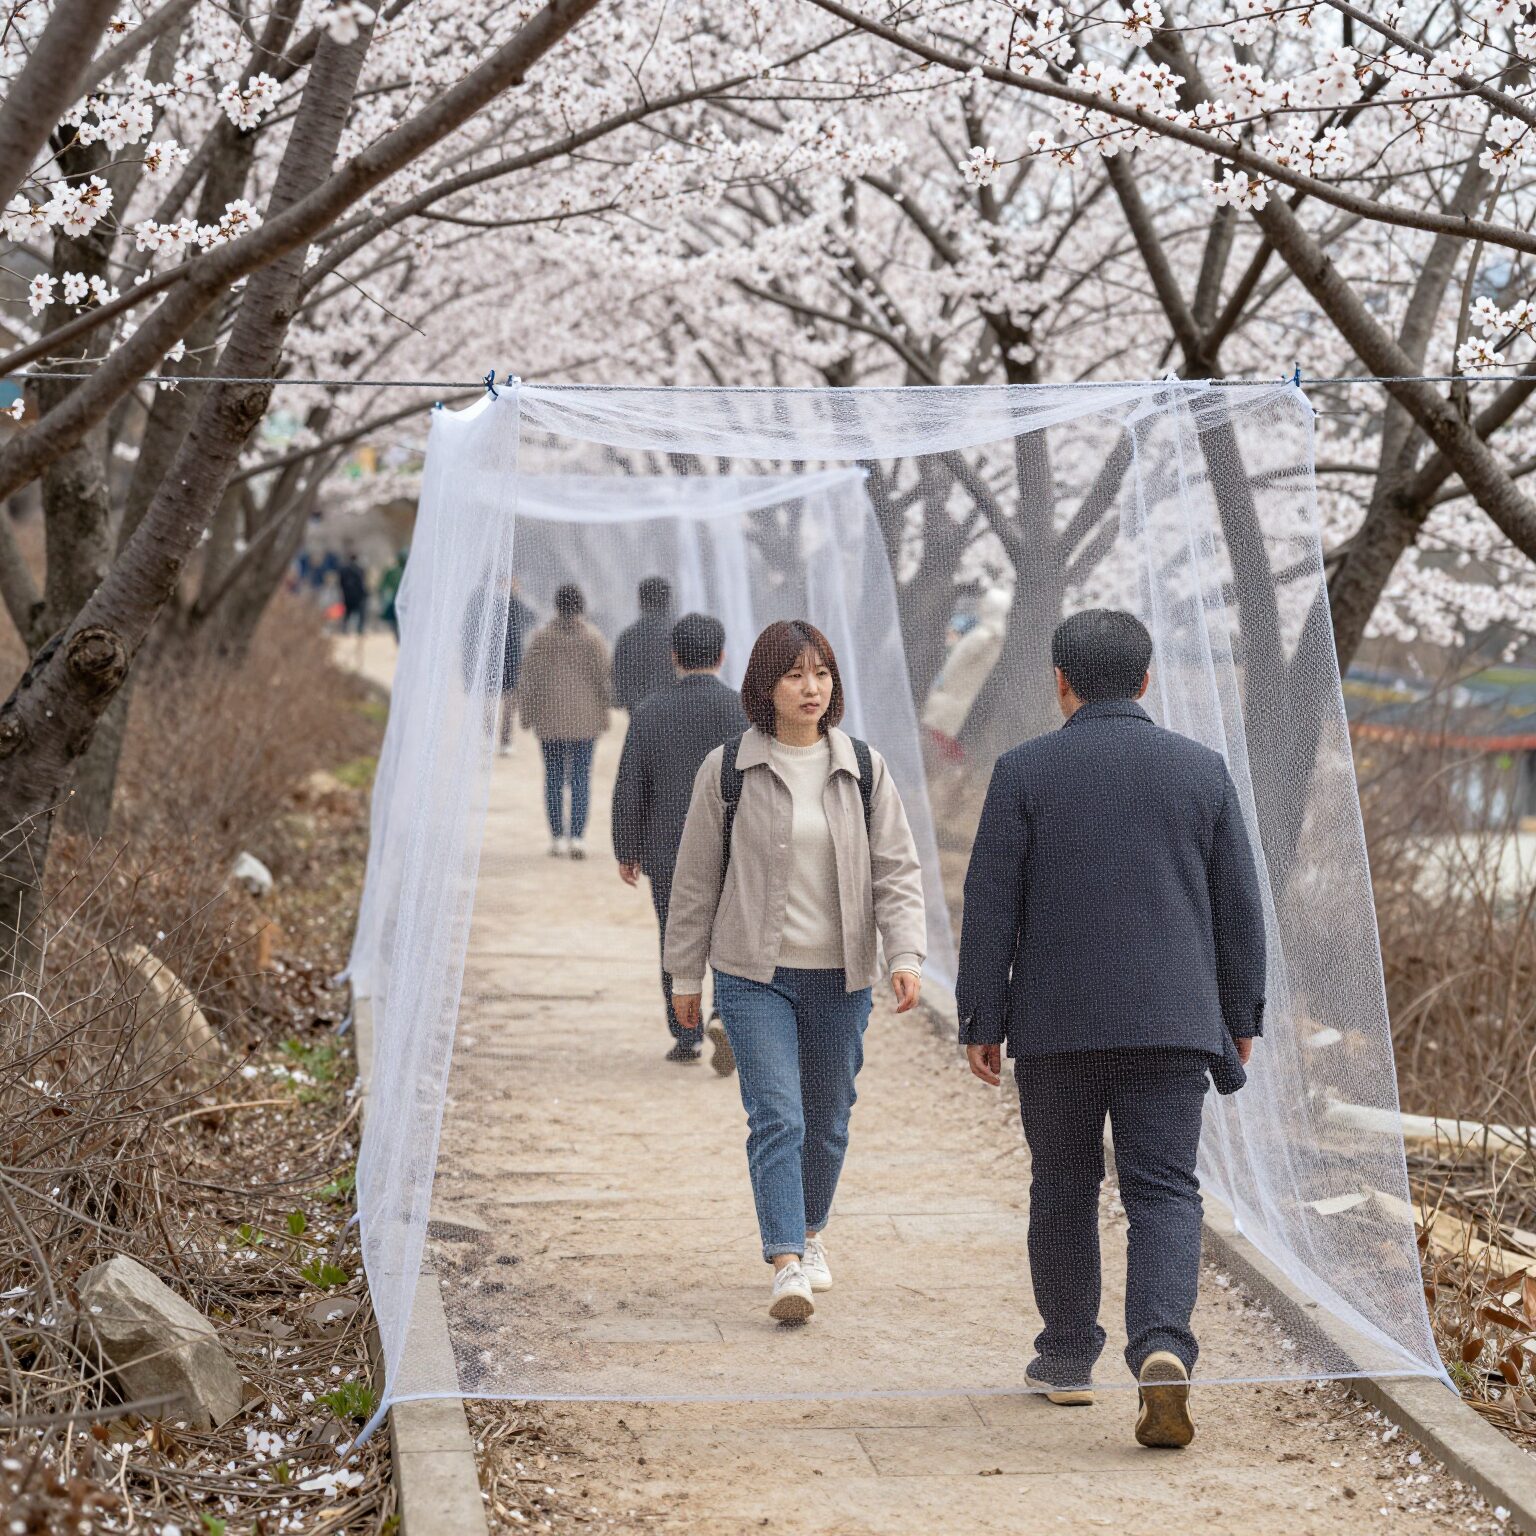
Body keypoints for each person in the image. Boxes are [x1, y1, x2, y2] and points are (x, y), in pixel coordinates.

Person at [954, 608, 1266, 1449]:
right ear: (1146, 678)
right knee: (1163, 1189)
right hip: (1172, 1023)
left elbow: (990, 904)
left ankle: (1064, 1360)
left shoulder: (1024, 771)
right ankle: (1163, 1347)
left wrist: (982, 1013)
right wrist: (1242, 1014)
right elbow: (1239, 906)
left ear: (1059, 681)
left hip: (1055, 1025)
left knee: (1062, 1186)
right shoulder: (1201, 771)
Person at [665, 620, 927, 1323]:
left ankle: (811, 1233)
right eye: (795, 674)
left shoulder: (864, 769)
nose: (811, 687)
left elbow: (897, 872)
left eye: (821, 673)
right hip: (754, 975)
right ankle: (785, 1262)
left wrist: (904, 955)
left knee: (830, 1116)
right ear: (765, 685)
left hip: (842, 976)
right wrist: (684, 978)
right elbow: (694, 882)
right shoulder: (727, 770)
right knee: (777, 1114)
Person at [612, 613, 748, 1067]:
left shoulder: (651, 709)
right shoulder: (743, 710)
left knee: (676, 936)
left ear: (674, 656)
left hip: (669, 847)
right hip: (735, 847)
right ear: (723, 654)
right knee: (731, 935)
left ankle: (685, 1033)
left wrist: (627, 848)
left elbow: (631, 782)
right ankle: (723, 1013)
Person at [519, 583, 611, 858]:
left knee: (554, 777)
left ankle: (557, 836)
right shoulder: (593, 638)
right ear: (581, 606)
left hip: (549, 719)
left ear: (557, 605)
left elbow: (529, 680)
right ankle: (578, 837)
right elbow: (603, 679)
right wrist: (606, 711)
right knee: (582, 777)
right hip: (586, 719)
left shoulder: (542, 638)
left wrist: (527, 715)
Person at [921, 586, 1011, 762]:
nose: (981, 605)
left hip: (953, 697)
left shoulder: (986, 637)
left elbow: (956, 665)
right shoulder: (988, 635)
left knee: (937, 743)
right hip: (954, 696)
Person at [460, 574, 535, 753]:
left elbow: (530, 618)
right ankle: (497, 738)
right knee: (494, 700)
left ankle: (498, 738)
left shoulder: (488, 600)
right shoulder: (502, 601)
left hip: (505, 657)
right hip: (500, 657)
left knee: (501, 701)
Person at [612, 576, 676, 714]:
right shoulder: (680, 635)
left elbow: (619, 680)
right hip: (675, 713)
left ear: (640, 602)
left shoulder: (627, 637)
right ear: (667, 601)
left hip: (639, 712)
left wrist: (626, 701)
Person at [378, 547, 408, 643]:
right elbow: (383, 587)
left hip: (403, 604)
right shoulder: (393, 572)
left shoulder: (407, 572)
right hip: (395, 603)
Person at [336, 547, 368, 635]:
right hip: (358, 596)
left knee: (347, 614)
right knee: (360, 614)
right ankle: (359, 629)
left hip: (347, 595)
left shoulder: (343, 569)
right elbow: (362, 583)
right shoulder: (360, 569)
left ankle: (344, 629)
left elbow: (340, 583)